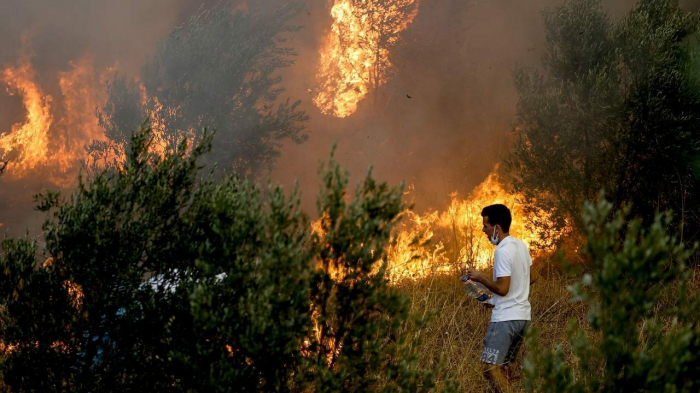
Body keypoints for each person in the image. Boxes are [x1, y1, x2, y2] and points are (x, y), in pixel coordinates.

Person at [466, 204, 538, 393]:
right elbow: (532, 277)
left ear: (496, 227)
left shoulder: (502, 251)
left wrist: (480, 278)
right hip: (523, 318)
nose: (483, 230)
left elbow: (503, 289)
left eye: (486, 226)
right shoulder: (520, 245)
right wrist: (497, 300)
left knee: (491, 368)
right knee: (504, 367)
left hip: (505, 320)